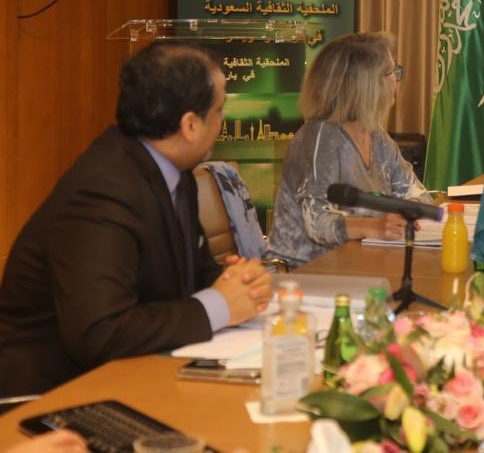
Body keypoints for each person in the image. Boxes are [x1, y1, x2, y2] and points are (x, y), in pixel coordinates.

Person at [0, 43, 273, 398]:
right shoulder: (104, 191)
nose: (222, 120)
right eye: (219, 109)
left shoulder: (173, 172)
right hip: (44, 396)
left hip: (128, 373)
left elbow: (189, 274)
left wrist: (239, 284)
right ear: (190, 124)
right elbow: (99, 333)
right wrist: (220, 306)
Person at [268, 32, 431, 268]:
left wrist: (409, 213)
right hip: (305, 274)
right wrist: (375, 226)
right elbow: (318, 224)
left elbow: (417, 194)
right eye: (391, 72)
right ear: (364, 86)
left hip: (359, 263)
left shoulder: (376, 135)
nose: (397, 80)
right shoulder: (319, 138)